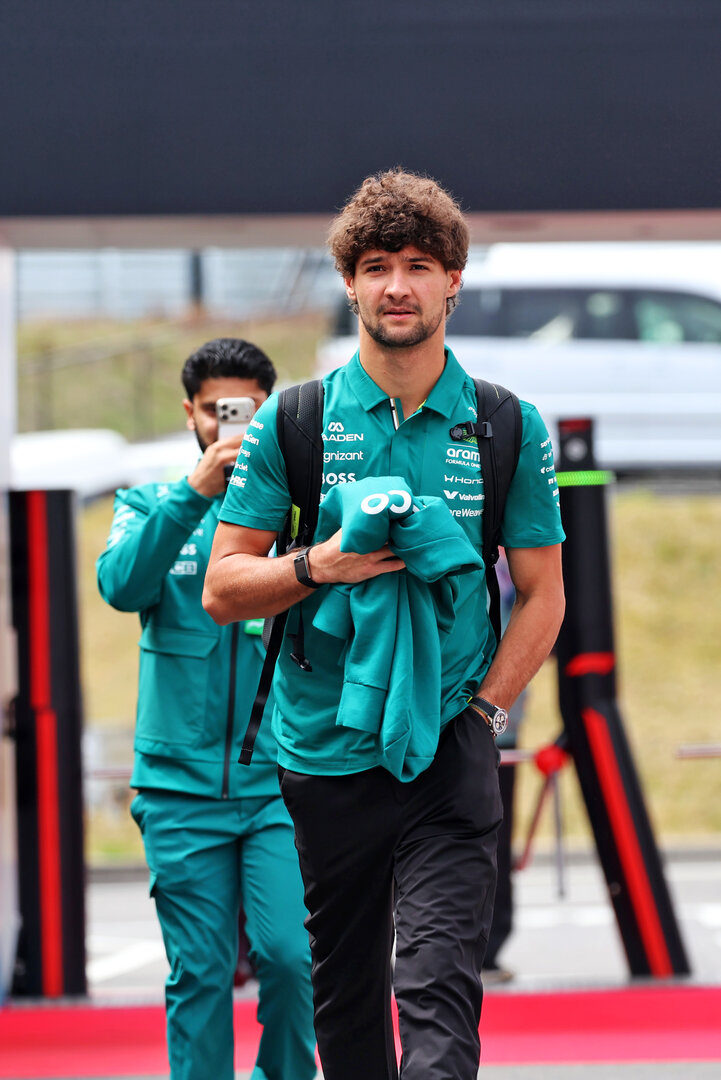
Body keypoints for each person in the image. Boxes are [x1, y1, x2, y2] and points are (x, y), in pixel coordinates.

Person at [203, 171, 566, 1080]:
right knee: (347, 991)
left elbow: (543, 593)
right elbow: (222, 586)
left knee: (440, 979)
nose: (396, 285)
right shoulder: (292, 422)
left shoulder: (504, 426)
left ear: (452, 281)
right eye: (375, 267)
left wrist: (485, 715)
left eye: (418, 265)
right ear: (350, 284)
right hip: (323, 746)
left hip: (450, 737)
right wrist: (315, 565)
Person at [97, 338, 316, 1080]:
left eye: (247, 411)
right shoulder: (150, 504)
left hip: (280, 784)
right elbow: (121, 587)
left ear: (269, 410)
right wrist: (193, 491)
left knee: (292, 960)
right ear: (189, 411)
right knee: (199, 973)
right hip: (177, 790)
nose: (231, 426)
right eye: (216, 411)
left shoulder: (297, 507)